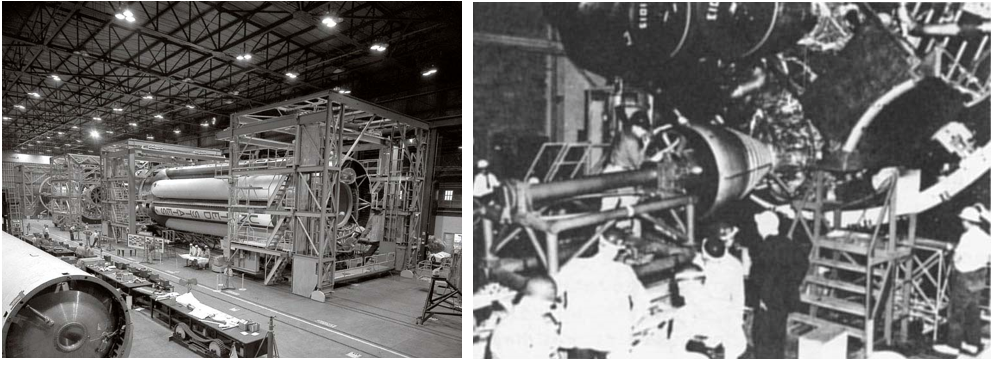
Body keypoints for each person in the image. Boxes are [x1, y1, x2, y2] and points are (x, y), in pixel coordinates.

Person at [555, 235, 649, 358]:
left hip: (580, 336)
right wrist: (629, 323)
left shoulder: (573, 266)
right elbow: (643, 302)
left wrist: (562, 319)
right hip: (612, 337)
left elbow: (552, 293)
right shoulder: (624, 271)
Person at [933, 205, 990, 356]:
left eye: (963, 221)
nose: (961, 223)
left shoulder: (967, 237)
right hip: (979, 277)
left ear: (967, 221)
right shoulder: (986, 237)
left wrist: (953, 254)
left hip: (964, 277)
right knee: (972, 312)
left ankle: (953, 346)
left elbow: (957, 257)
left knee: (956, 312)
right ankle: (972, 344)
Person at [750, 211, 807, 359]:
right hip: (784, 301)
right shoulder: (790, 244)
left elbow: (762, 277)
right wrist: (792, 286)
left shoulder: (763, 248)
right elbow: (803, 264)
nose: (757, 228)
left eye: (758, 225)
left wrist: (763, 299)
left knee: (762, 341)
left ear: (763, 227)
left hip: (768, 304)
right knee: (778, 338)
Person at [696, 223, 748, 358]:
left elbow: (738, 297)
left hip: (716, 315)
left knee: (731, 346)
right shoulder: (734, 265)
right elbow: (738, 297)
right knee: (734, 346)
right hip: (717, 315)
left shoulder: (731, 266)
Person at [489, 276, 560, 359]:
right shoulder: (510, 328)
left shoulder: (532, 319)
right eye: (546, 306)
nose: (548, 310)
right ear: (533, 302)